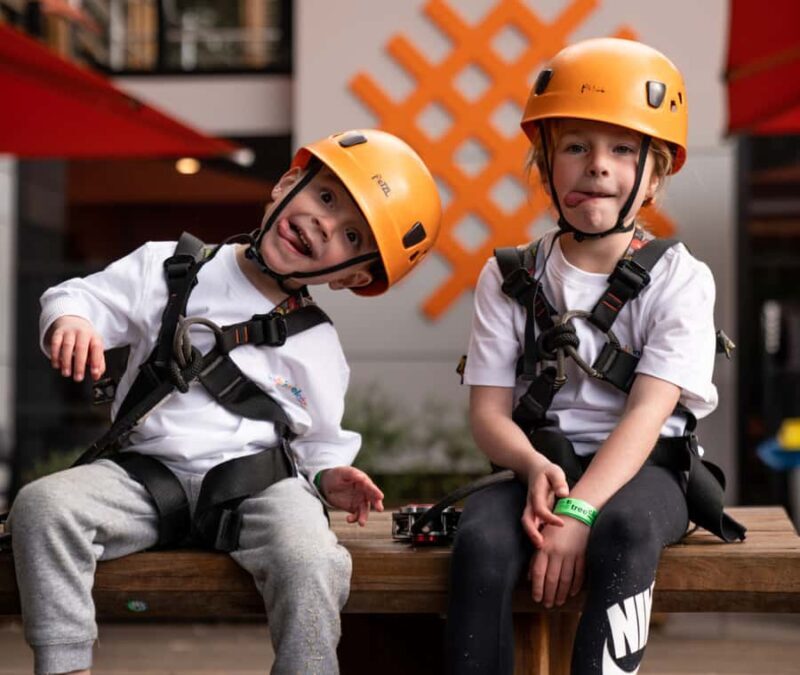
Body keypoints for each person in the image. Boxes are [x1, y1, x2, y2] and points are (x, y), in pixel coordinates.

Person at [7, 128, 441, 675]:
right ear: (287, 182)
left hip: (255, 489)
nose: (324, 224)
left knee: (310, 556)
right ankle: (65, 665)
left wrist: (331, 475)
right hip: (145, 478)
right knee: (42, 507)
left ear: (352, 276)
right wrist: (73, 321)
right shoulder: (170, 267)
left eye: (351, 236)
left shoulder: (316, 342)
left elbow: (318, 441)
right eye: (326, 196)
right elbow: (80, 296)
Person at [445, 38, 744, 674]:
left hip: (646, 472)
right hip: (542, 467)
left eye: (623, 150)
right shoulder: (510, 276)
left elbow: (647, 413)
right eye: (576, 146)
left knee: (625, 532)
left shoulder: (680, 279)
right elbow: (489, 415)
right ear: (545, 164)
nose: (598, 166)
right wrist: (532, 466)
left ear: (655, 176)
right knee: (482, 543)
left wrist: (580, 512)